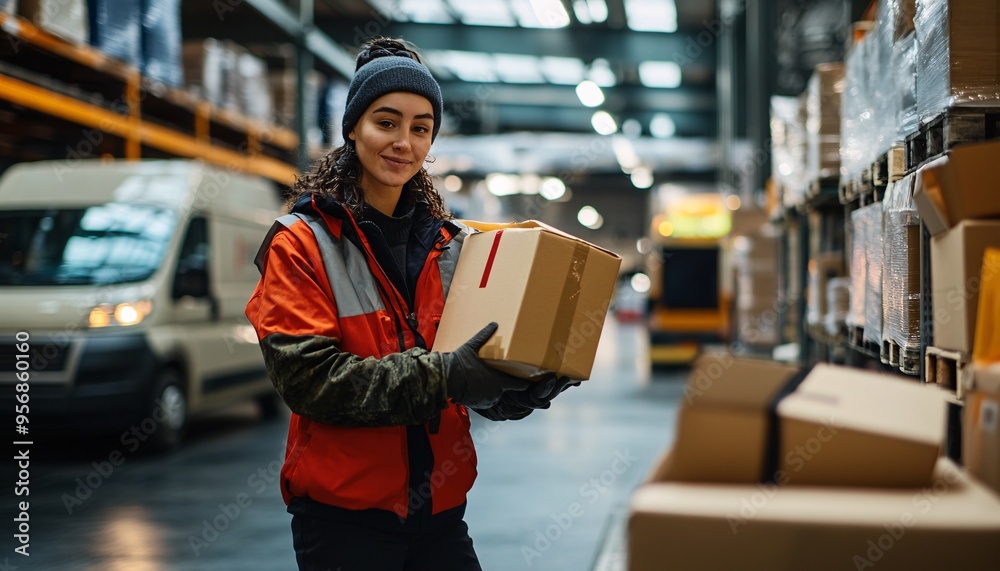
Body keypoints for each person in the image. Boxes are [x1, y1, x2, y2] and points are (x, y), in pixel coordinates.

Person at [245, 38, 578, 571]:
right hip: (344, 523)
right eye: (386, 122)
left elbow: (470, 376)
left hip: (441, 515)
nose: (403, 142)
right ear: (352, 127)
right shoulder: (301, 244)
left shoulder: (453, 245)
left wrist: (522, 386)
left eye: (420, 128)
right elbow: (311, 383)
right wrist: (447, 377)